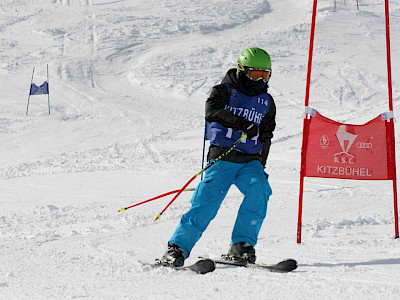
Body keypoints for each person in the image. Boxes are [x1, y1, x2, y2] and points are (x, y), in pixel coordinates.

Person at [159, 47, 276, 267]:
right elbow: (212, 112)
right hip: (223, 157)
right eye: (255, 74)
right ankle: (177, 249)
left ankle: (241, 247)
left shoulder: (267, 102)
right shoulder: (223, 91)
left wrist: (261, 163)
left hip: (250, 161)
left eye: (265, 75)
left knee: (259, 190)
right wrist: (242, 124)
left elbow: (267, 135)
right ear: (242, 70)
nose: (260, 79)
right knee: (206, 203)